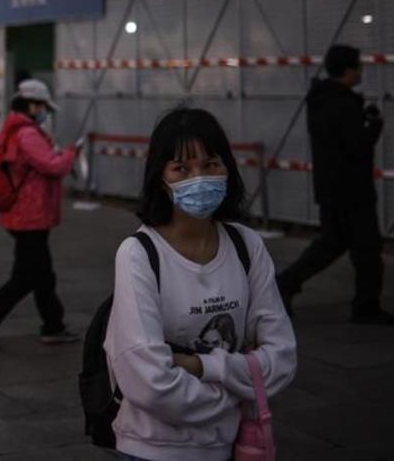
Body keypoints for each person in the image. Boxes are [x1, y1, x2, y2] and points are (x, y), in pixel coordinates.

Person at [104, 107, 296, 461]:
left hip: (230, 447)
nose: (200, 178)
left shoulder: (246, 245)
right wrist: (241, 387)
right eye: (181, 169)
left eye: (210, 165)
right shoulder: (138, 254)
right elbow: (149, 382)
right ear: (161, 179)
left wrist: (201, 366)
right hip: (152, 449)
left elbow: (281, 358)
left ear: (227, 168)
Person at [277, 44, 391, 324]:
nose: (362, 71)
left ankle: (287, 283)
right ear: (349, 70)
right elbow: (357, 146)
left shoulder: (322, 99)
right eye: (359, 66)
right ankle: (366, 306)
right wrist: (374, 125)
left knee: (331, 244)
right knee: (366, 249)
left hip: (331, 187)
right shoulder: (342, 103)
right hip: (352, 190)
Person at [0, 79, 78, 347]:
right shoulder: (26, 133)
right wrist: (72, 153)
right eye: (43, 106)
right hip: (30, 215)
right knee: (27, 277)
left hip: (26, 214)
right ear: (33, 104)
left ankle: (53, 325)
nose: (45, 111)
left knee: (42, 274)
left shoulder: (15, 128)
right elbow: (52, 165)